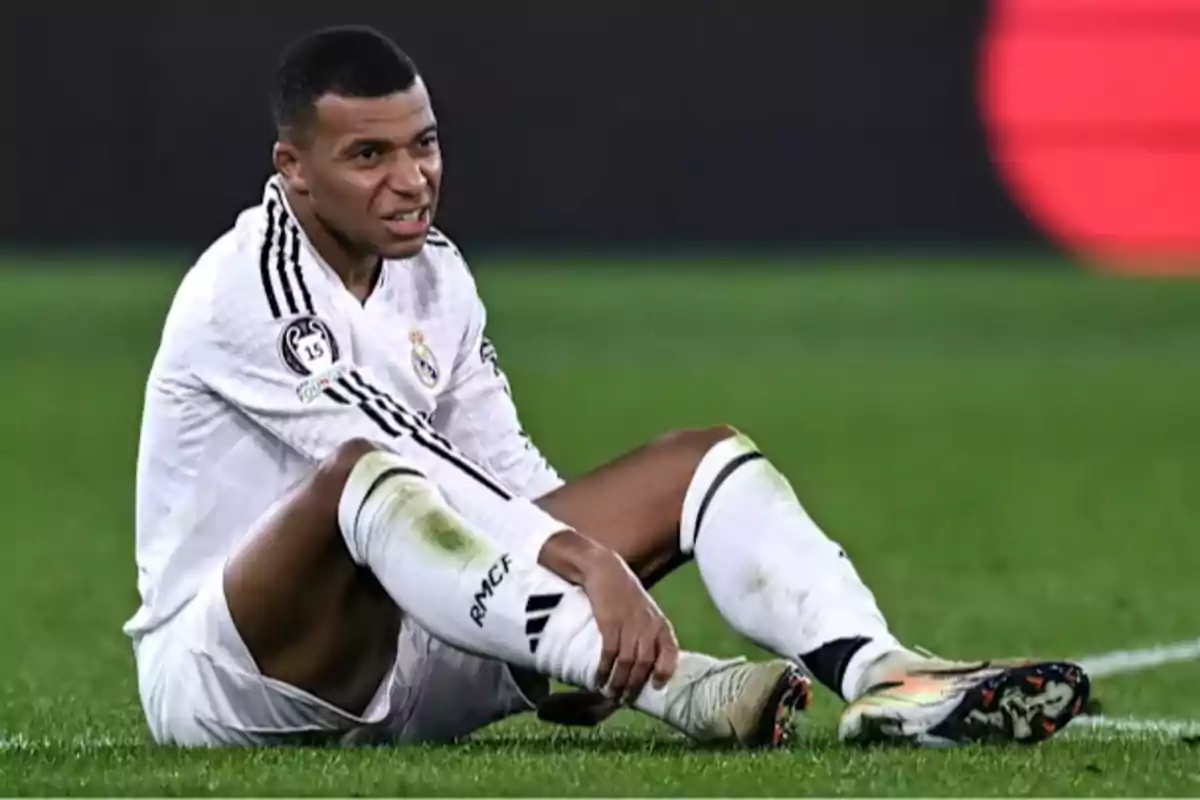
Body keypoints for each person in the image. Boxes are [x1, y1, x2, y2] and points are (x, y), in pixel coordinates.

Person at [124, 24, 1089, 749]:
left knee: (699, 460)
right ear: (293, 171)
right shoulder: (251, 289)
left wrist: (580, 562)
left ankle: (886, 677)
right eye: (368, 156)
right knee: (366, 476)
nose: (411, 178)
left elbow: (501, 463)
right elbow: (410, 462)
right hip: (241, 683)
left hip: (426, 649)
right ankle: (684, 689)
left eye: (422, 144)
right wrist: (585, 567)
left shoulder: (435, 273)